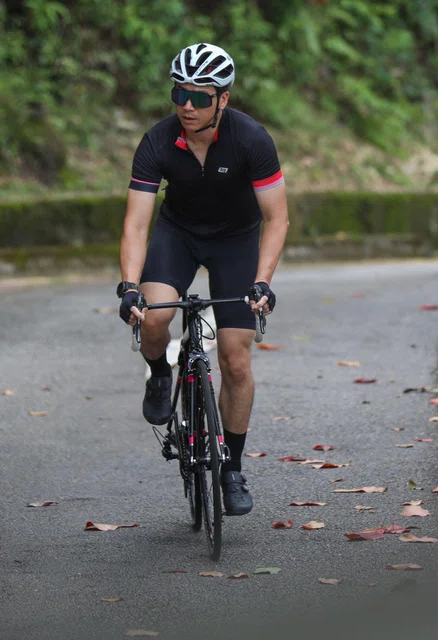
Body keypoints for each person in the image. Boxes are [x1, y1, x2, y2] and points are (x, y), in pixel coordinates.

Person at [117, 43, 289, 516]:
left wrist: (263, 281)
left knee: (235, 361)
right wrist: (130, 284)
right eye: (179, 94)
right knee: (153, 320)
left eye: (198, 97)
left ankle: (231, 468)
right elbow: (136, 223)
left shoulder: (251, 140)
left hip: (236, 241)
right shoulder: (157, 141)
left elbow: (277, 219)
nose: (186, 106)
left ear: (223, 100)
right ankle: (158, 374)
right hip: (179, 236)